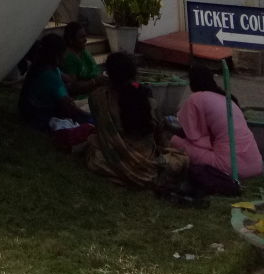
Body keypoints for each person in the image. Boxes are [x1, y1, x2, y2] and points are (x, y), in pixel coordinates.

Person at [85, 52, 189, 191]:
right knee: (181, 160)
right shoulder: (147, 100)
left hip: (112, 163)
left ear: (108, 74)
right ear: (134, 73)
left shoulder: (97, 98)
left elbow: (101, 128)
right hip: (147, 165)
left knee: (93, 145)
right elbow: (159, 136)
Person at [169, 65, 262, 193]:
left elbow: (193, 137)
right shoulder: (228, 99)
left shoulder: (197, 98)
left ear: (192, 82)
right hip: (255, 164)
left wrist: (169, 129)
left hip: (230, 167)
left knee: (175, 141)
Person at [19, 34, 95, 144]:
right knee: (90, 120)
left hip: (31, 113)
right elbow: (69, 107)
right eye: (64, 53)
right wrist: (92, 118)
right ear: (56, 55)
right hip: (40, 118)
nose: (65, 56)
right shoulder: (49, 75)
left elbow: (69, 79)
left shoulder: (44, 67)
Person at [61, 21, 102, 96]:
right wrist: (94, 82)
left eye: (85, 36)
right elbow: (73, 86)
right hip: (81, 97)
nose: (85, 40)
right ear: (71, 40)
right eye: (81, 37)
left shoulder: (83, 52)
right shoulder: (69, 57)